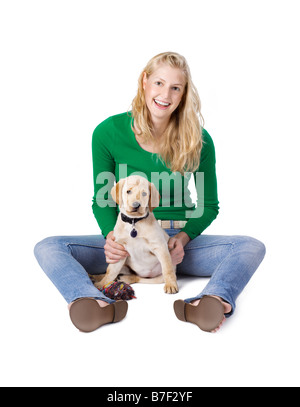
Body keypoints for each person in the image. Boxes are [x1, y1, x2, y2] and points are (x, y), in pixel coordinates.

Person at [34, 52, 266, 333]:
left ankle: (210, 300)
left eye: (175, 88)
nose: (165, 94)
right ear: (144, 81)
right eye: (158, 83)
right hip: (124, 239)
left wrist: (182, 237)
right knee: (49, 247)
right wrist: (111, 236)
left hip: (176, 244)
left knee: (250, 246)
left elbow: (208, 205)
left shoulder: (199, 141)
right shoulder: (108, 133)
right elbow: (102, 199)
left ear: (183, 94)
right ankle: (92, 301)